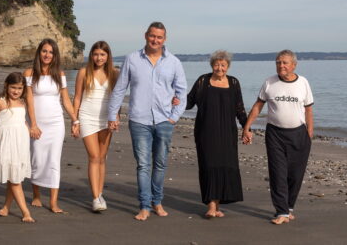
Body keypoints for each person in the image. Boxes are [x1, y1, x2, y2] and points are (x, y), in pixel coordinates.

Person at [108, 22, 187, 221]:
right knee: (143, 165)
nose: (155, 40)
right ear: (146, 35)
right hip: (139, 120)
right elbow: (120, 89)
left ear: (164, 39)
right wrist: (112, 115)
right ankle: (144, 205)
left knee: (160, 165)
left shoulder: (174, 62)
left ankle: (157, 202)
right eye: (152, 36)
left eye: (159, 37)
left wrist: (174, 117)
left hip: (164, 120)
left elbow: (181, 91)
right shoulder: (132, 59)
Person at [242, 49, 314, 225]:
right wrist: (246, 127)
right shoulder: (269, 82)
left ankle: (289, 208)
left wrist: (309, 135)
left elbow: (309, 110)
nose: (281, 65)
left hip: (299, 134)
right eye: (278, 62)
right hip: (275, 134)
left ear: (293, 65)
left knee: (295, 174)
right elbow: (258, 106)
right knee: (278, 173)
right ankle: (281, 211)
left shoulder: (303, 83)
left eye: (284, 62)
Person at [186, 50, 247, 218]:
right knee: (209, 166)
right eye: (217, 64)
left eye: (223, 65)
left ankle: (217, 206)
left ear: (228, 66)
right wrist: (173, 100)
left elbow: (240, 109)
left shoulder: (234, 83)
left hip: (228, 133)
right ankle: (211, 207)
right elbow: (189, 102)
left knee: (224, 166)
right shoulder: (203, 81)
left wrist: (246, 127)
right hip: (206, 132)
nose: (220, 68)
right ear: (212, 65)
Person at [24, 38, 79, 213]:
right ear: (39, 52)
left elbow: (65, 100)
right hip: (37, 123)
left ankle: (54, 202)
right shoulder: (29, 73)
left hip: (56, 123)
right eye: (44, 51)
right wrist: (33, 124)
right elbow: (29, 100)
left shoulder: (60, 75)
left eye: (51, 52)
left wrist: (74, 119)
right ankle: (37, 196)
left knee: (54, 161)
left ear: (55, 56)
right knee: (37, 160)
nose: (47, 55)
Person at [0, 72, 35, 223]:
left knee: (13, 175)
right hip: (7, 143)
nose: (16, 91)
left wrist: (30, 130)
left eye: (20, 88)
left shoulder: (22, 103)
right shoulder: (0, 102)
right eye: (13, 87)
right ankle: (26, 212)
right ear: (6, 86)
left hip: (21, 143)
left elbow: (23, 122)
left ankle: (6, 207)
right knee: (15, 179)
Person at [73, 41, 119, 212]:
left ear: (108, 57)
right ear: (91, 55)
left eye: (102, 54)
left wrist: (116, 117)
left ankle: (100, 194)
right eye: (96, 54)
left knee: (102, 157)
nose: (99, 58)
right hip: (87, 117)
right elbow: (77, 97)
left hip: (106, 119)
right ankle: (95, 197)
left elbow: (117, 98)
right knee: (93, 156)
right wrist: (75, 120)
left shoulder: (114, 73)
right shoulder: (84, 72)